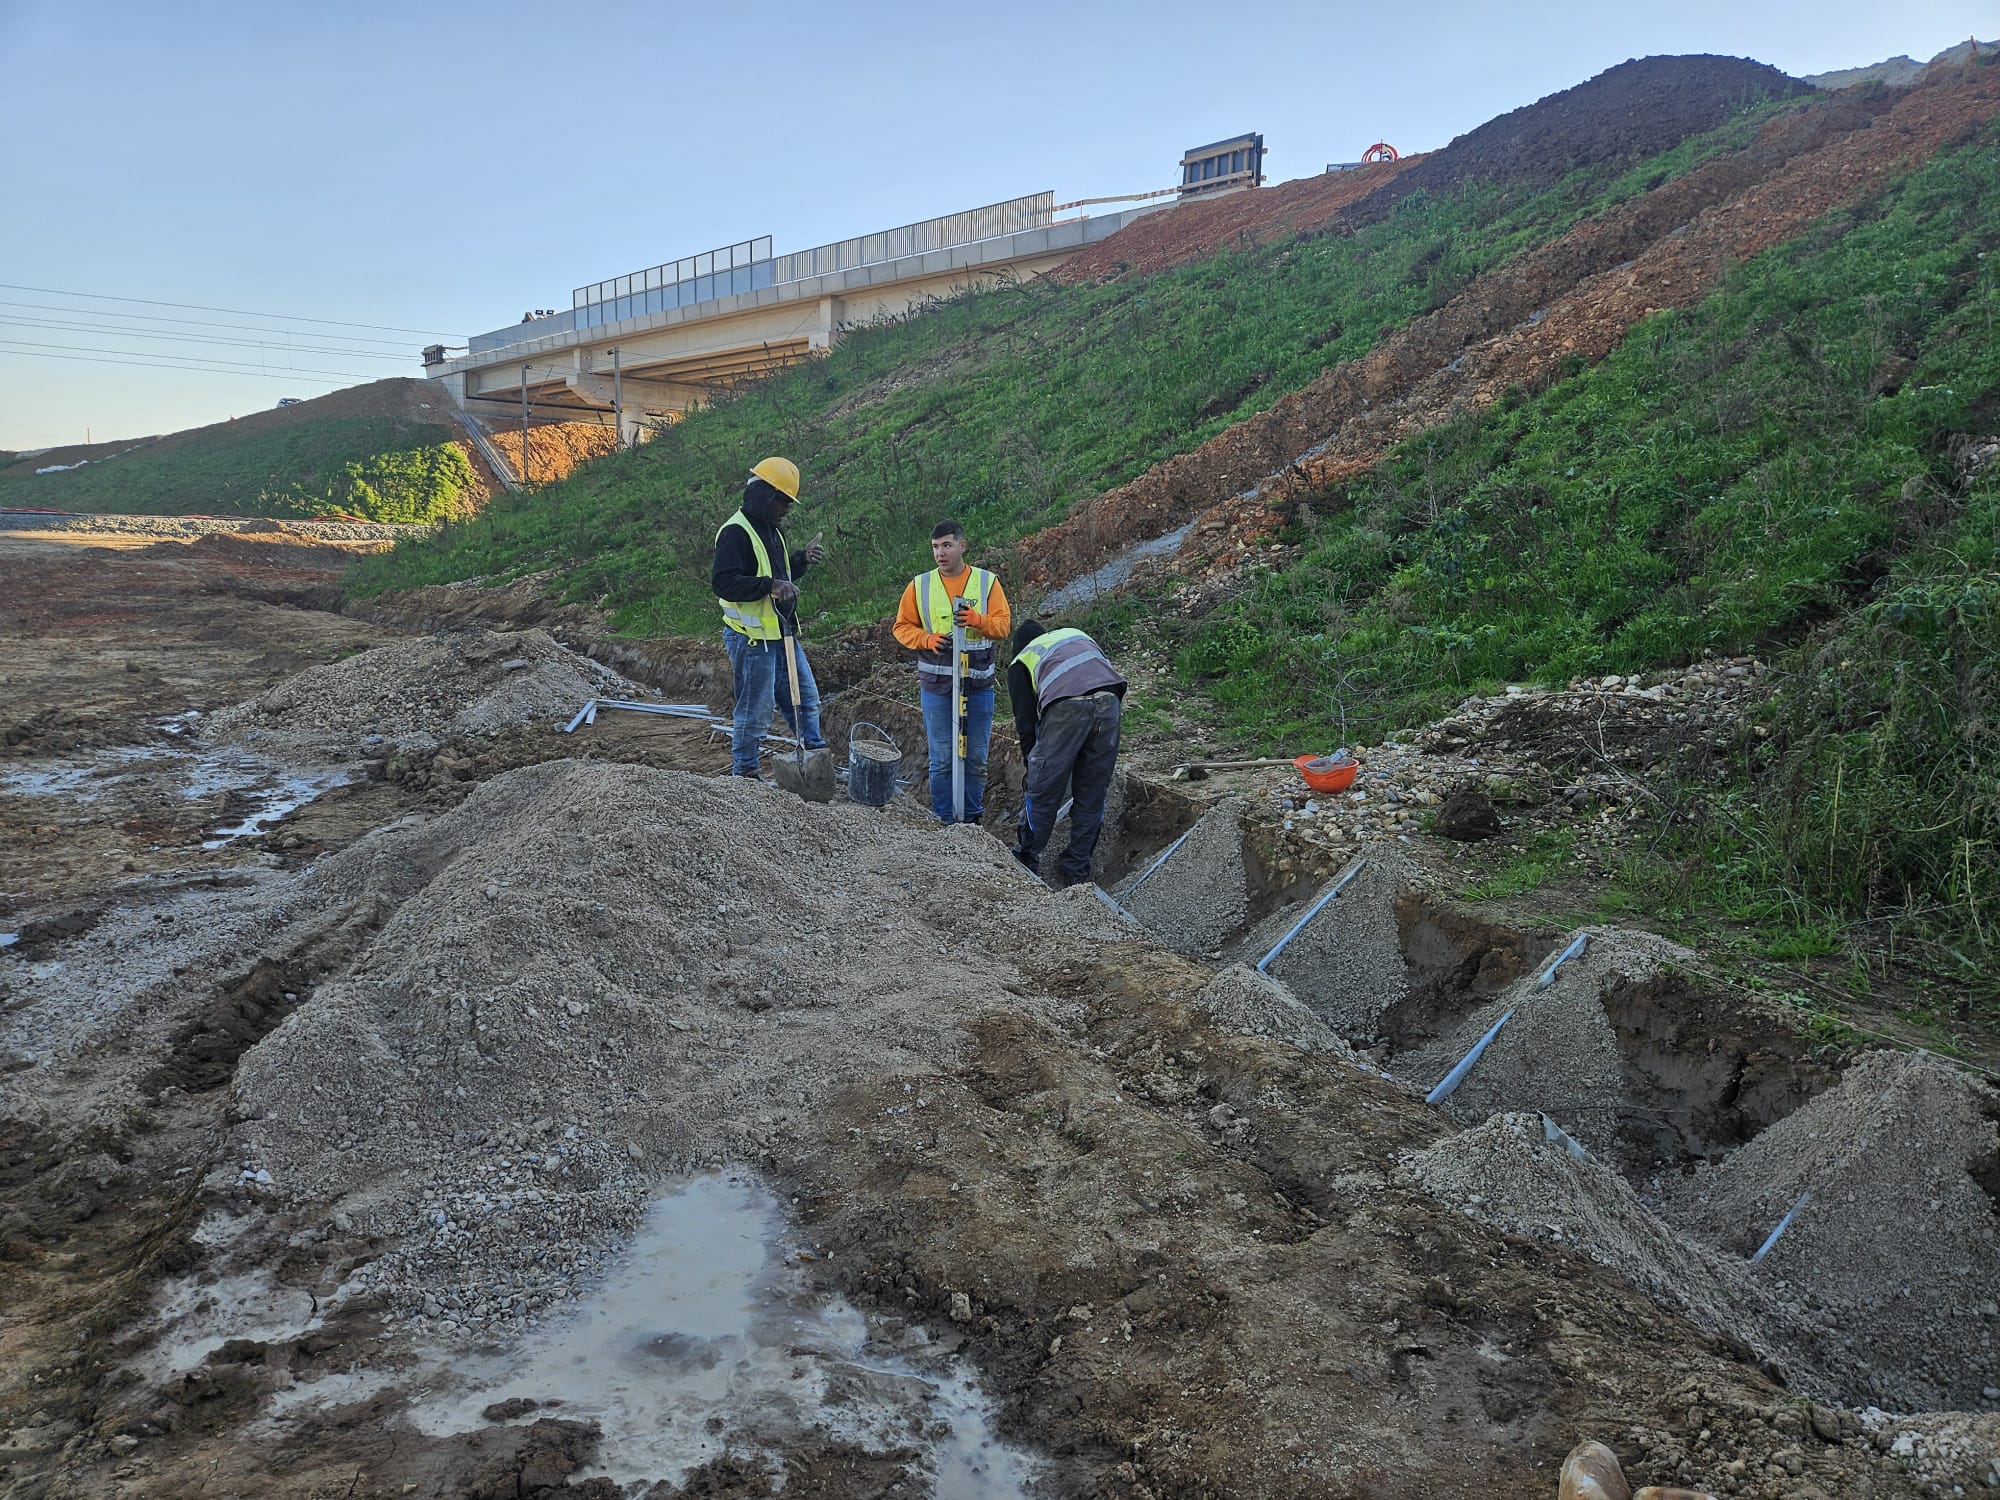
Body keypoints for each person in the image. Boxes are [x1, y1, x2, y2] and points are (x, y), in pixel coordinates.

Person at [710, 457, 828, 778]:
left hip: (781, 632)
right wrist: (769, 586)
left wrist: (801, 561)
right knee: (755, 711)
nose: (786, 509)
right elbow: (723, 582)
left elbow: (779, 576)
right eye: (783, 500)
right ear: (765, 494)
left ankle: (815, 763)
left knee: (805, 700)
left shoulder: (771, 531)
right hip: (752, 640)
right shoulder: (736, 532)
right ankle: (746, 774)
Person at [892, 520, 1011, 823]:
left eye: (947, 545)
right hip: (937, 686)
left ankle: (971, 820)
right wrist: (927, 639)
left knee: (976, 758)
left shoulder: (986, 583)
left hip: (978, 684)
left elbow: (1002, 626)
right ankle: (944, 819)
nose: (940, 553)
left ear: (962, 546)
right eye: (935, 547)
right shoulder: (920, 586)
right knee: (943, 758)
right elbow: (902, 627)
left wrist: (977, 620)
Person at [1007, 620, 1127, 886]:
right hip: (1109, 701)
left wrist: (1034, 768)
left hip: (1066, 706)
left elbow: (1027, 726)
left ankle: (1025, 860)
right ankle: (1076, 870)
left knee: (1043, 791)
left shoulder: (1022, 660)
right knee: (1092, 792)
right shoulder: (1075, 635)